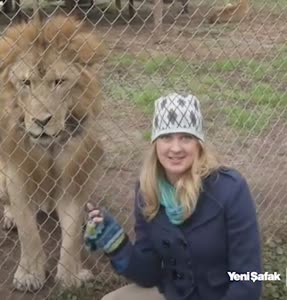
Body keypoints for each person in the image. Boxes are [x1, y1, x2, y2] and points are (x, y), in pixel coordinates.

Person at [84, 93, 263, 300]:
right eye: (166, 137)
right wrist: (117, 245)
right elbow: (149, 275)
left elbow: (248, 278)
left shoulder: (229, 189)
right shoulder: (147, 190)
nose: (175, 148)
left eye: (185, 137)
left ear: (198, 144)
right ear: (155, 143)